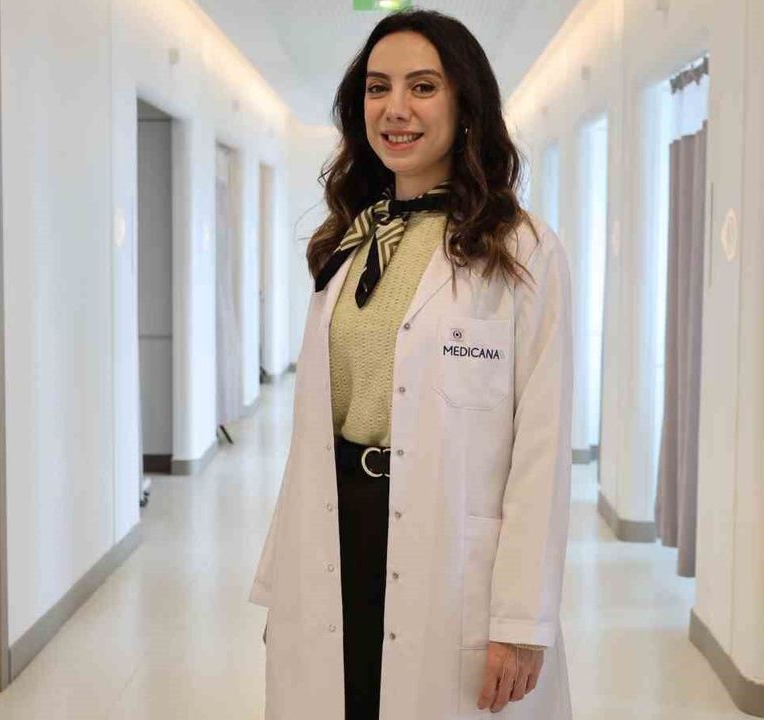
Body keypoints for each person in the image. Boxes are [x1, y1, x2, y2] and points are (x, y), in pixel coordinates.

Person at [249, 8, 573, 719]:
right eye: (378, 88)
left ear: (465, 104)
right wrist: (283, 585)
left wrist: (521, 621)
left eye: (423, 87)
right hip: (337, 532)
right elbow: (312, 433)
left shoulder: (521, 249)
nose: (395, 109)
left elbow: (542, 447)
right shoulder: (349, 241)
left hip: (447, 550)